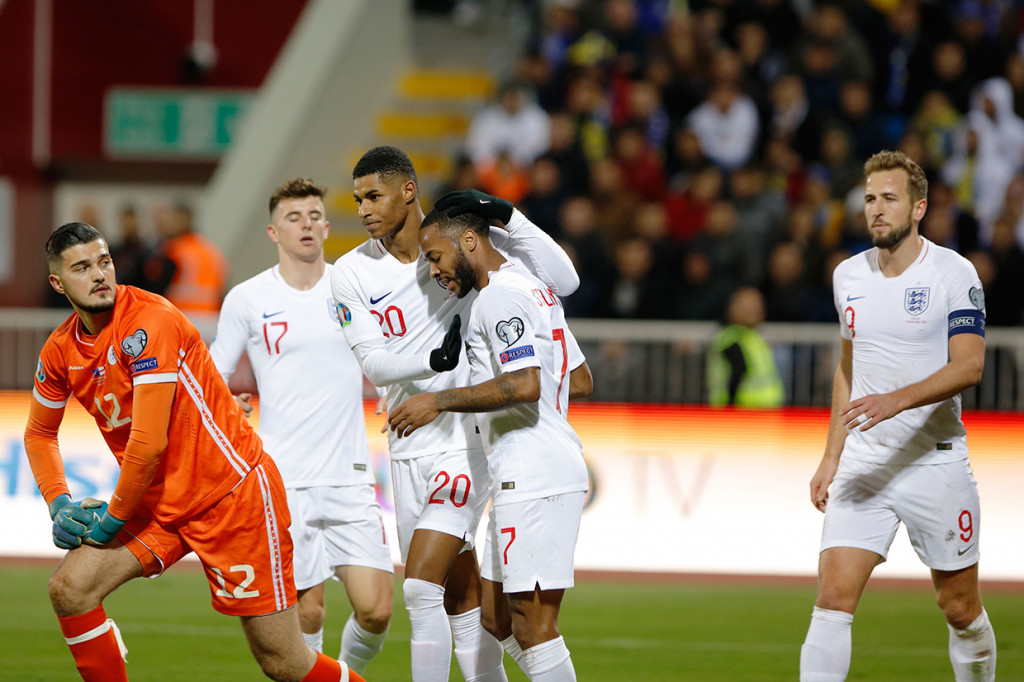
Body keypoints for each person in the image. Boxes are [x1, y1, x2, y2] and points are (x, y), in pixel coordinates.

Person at [24, 222, 365, 682]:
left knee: (283, 662)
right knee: (70, 588)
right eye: (82, 268)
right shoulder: (59, 350)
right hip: (159, 502)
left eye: (104, 262)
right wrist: (58, 503)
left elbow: (148, 444)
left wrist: (111, 520)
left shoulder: (148, 321)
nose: (99, 274)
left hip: (229, 495)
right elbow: (39, 434)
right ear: (57, 283)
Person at [330, 146, 579, 682]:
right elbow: (373, 363)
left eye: (374, 195)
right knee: (466, 604)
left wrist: (508, 215)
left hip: (466, 441)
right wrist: (434, 360)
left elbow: (565, 280)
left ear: (408, 190)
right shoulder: (350, 272)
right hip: (407, 439)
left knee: (420, 586)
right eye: (357, 200)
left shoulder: (461, 243)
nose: (364, 209)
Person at [800, 151, 996, 681]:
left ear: (918, 208)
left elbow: (970, 366)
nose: (876, 209)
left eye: (889, 198)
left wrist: (895, 400)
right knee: (832, 599)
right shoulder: (848, 275)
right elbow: (849, 366)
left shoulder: (953, 273)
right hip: (865, 463)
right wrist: (831, 456)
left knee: (959, 608)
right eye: (870, 199)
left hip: (934, 462)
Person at [388, 206, 592, 682]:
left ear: (469, 242)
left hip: (535, 473)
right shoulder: (532, 290)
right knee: (496, 618)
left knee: (534, 626)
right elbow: (580, 379)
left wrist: (437, 401)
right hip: (521, 471)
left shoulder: (498, 297)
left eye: (436, 257)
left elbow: (525, 384)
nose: (434, 271)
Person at [209, 178, 393, 674]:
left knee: (376, 609)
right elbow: (210, 374)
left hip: (350, 474)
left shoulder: (353, 289)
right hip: (284, 478)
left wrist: (398, 389)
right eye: (294, 217)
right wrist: (226, 403)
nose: (306, 225)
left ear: (327, 227)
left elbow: (388, 352)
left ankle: (342, 675)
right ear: (274, 232)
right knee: (307, 613)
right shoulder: (247, 298)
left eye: (314, 216)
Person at [707, 286, 784, 408]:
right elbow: (736, 374)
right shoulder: (731, 337)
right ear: (732, 309)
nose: (755, 309)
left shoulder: (753, 336)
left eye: (758, 304)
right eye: (748, 305)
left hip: (761, 410)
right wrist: (730, 410)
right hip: (742, 410)